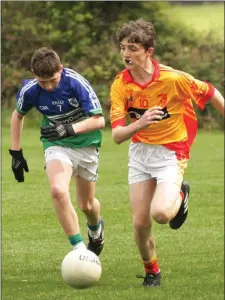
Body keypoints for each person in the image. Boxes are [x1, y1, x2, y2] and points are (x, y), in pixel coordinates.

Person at [110, 19, 224, 287]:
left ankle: (181, 194)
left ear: (148, 52)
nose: (126, 53)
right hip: (139, 153)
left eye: (133, 48)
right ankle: (152, 272)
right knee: (140, 224)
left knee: (160, 214)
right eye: (123, 47)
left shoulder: (173, 79)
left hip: (171, 152)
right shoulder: (120, 85)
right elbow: (116, 135)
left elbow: (211, 92)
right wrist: (140, 122)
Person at [9, 47, 105, 256]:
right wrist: (15, 153)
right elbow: (18, 116)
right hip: (56, 146)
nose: (49, 86)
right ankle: (79, 250)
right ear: (35, 75)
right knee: (58, 191)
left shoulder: (76, 83)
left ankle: (96, 230)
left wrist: (69, 128)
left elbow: (99, 120)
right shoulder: (31, 90)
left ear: (60, 69)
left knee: (87, 205)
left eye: (53, 79)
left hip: (87, 145)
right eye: (43, 82)